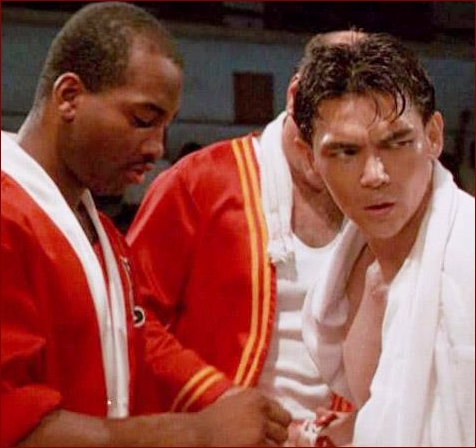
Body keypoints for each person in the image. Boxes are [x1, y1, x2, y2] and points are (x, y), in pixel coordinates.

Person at [1, 3, 292, 446]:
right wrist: (197, 432)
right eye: (142, 120)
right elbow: (11, 421)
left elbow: (138, 354)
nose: (156, 147)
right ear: (69, 96)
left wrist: (222, 398)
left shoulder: (102, 233)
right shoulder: (9, 214)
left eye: (165, 127)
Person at [126, 31, 363, 447]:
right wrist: (220, 399)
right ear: (295, 95)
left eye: (349, 148)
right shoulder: (198, 181)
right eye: (316, 138)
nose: (326, 159)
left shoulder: (380, 198)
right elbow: (132, 318)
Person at [293, 31, 475, 446]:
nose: (374, 175)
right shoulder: (354, 265)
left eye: (397, 143)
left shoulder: (466, 260)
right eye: (345, 152)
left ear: (434, 136)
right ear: (309, 159)